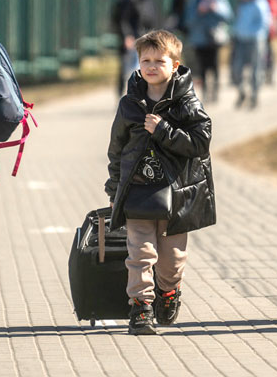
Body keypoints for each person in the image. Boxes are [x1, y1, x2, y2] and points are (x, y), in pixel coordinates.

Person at [104, 29, 215, 335]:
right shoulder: (129, 104)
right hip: (138, 191)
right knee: (140, 252)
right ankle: (141, 307)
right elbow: (116, 149)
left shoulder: (187, 102)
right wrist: (114, 189)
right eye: (145, 60)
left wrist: (164, 130)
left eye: (159, 61)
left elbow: (201, 142)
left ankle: (168, 291)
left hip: (176, 193)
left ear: (175, 65)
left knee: (172, 260)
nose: (151, 66)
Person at [184, 0, 232, 103]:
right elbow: (188, 20)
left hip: (214, 38)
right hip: (199, 38)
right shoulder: (194, 1)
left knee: (214, 65)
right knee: (202, 66)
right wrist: (199, 11)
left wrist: (214, 9)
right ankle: (205, 92)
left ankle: (215, 91)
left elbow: (228, 15)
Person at [112, 0, 158, 95]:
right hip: (132, 39)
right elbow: (123, 19)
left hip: (144, 37)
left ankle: (141, 94)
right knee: (127, 69)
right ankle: (124, 95)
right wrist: (127, 36)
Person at [230, 0, 272, 109]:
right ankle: (242, 92)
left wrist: (255, 34)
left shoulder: (260, 3)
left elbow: (264, 22)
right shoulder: (242, 4)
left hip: (255, 40)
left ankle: (254, 95)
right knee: (236, 68)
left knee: (256, 68)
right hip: (240, 39)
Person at [247, 0, 277, 84]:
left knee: (268, 53)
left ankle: (269, 74)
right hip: (253, 32)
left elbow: (275, 11)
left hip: (267, 30)